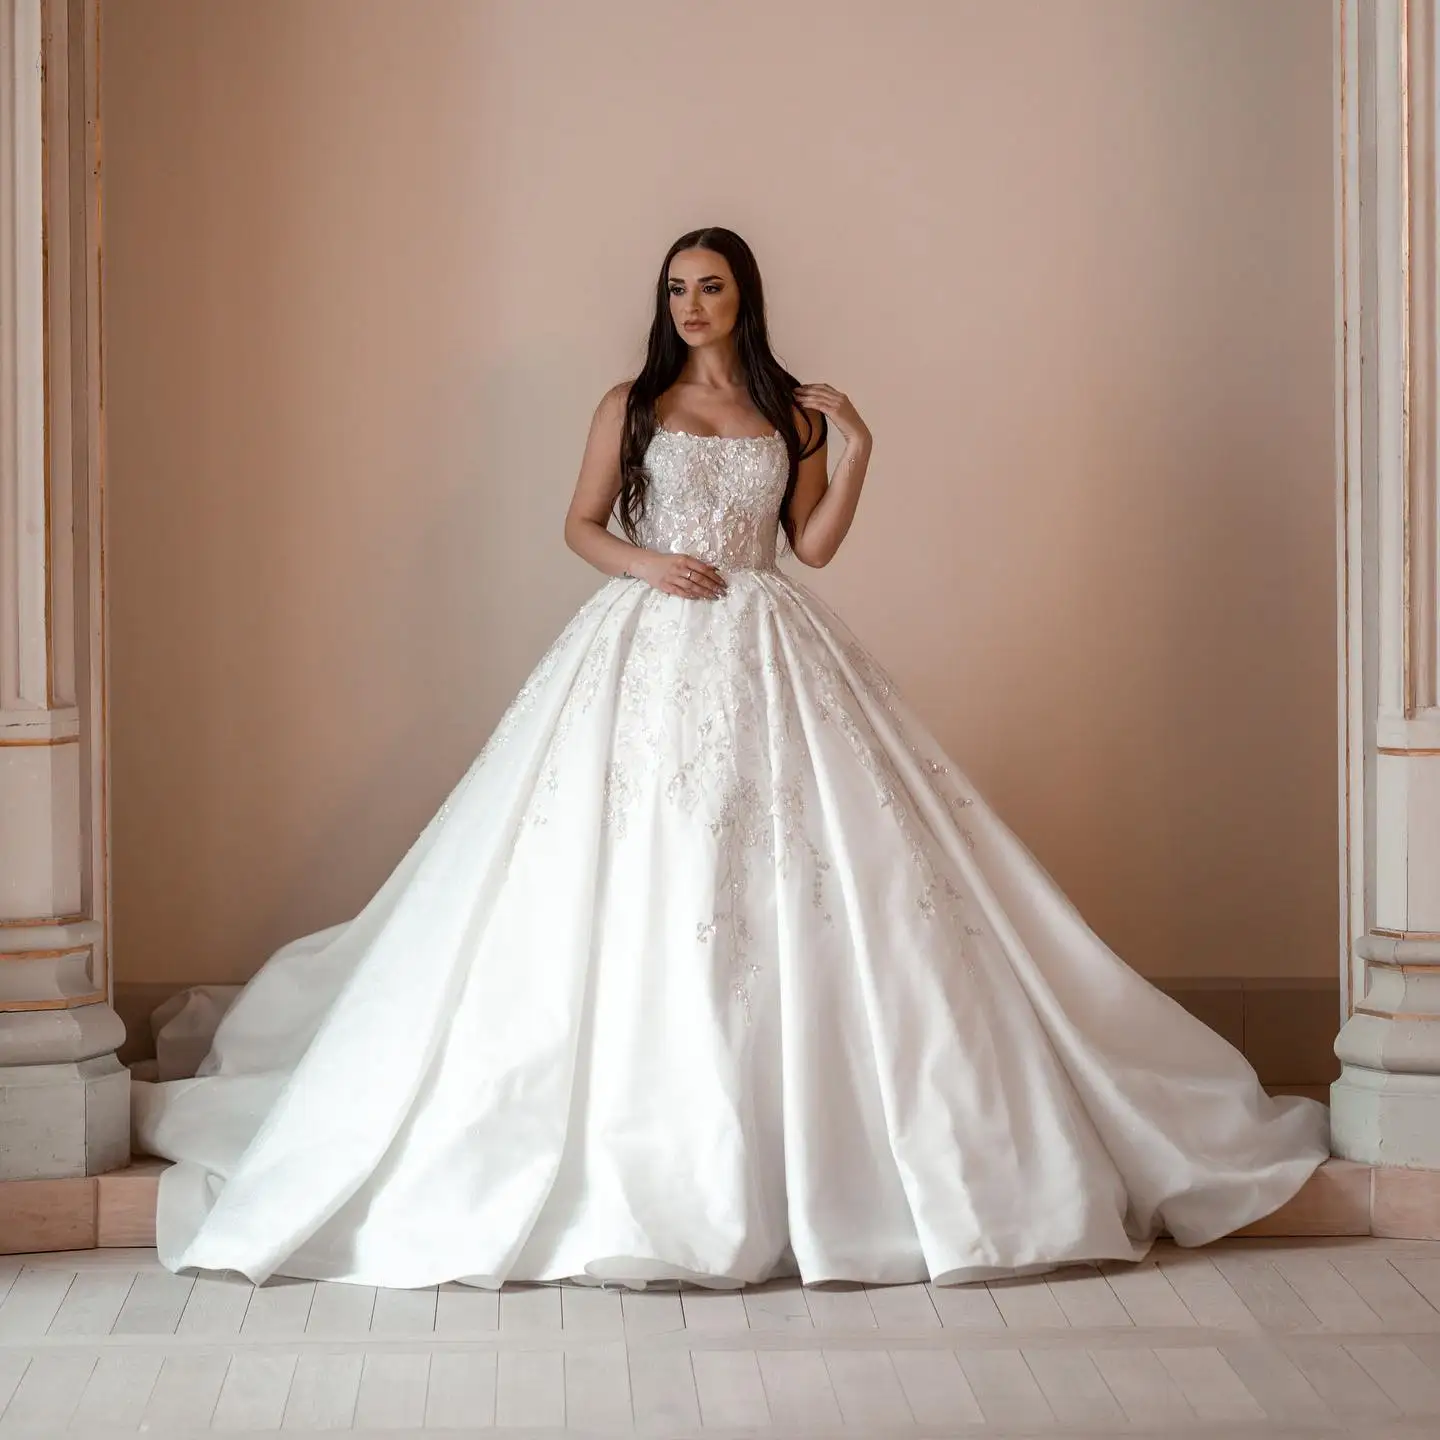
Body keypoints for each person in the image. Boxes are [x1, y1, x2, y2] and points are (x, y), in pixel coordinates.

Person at [131, 226, 1330, 1292]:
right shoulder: (631, 405)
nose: (689, 307)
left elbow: (809, 546)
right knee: (637, 858)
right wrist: (652, 568)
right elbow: (580, 525)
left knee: (815, 873)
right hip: (647, 644)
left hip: (769, 636)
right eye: (674, 291)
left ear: (744, 298)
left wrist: (853, 446)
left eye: (707, 289)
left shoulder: (790, 414)